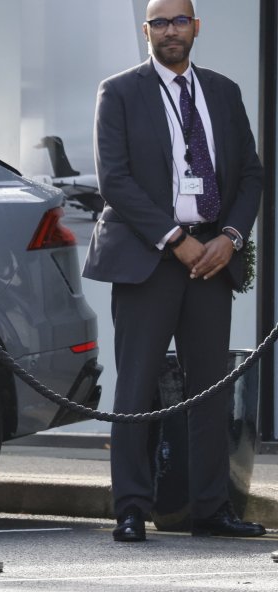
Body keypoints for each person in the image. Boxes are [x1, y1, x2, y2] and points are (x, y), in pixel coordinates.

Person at [83, 0, 265, 543]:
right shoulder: (118, 91)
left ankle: (210, 508)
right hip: (150, 257)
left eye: (179, 21)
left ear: (196, 28)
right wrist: (174, 239)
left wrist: (231, 238)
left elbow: (251, 174)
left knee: (208, 387)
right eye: (158, 23)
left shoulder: (224, 91)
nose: (169, 31)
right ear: (145, 32)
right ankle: (132, 508)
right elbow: (114, 179)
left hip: (213, 258)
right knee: (137, 383)